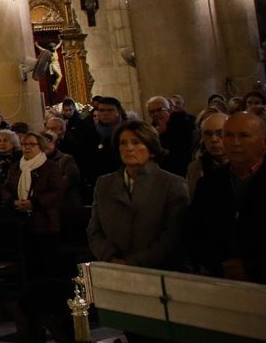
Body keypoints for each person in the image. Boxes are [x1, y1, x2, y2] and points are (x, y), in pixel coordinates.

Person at [86, 119, 188, 269]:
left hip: (157, 271)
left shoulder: (172, 184)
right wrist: (110, 257)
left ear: (151, 149)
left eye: (136, 142)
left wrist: (134, 262)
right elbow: (94, 230)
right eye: (123, 143)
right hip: (114, 269)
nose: (129, 148)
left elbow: (172, 235)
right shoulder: (104, 184)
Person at [187, 110, 266, 282]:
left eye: (244, 136)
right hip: (220, 279)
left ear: (265, 142)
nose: (235, 142)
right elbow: (194, 231)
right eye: (229, 135)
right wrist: (218, 264)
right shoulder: (208, 184)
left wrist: (250, 268)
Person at [4, 131, 67, 278]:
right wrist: (12, 201)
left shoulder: (49, 167)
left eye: (31, 144)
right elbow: (6, 187)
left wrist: (34, 203)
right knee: (28, 263)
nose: (27, 148)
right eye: (24, 144)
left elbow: (58, 191)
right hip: (22, 221)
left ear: (41, 146)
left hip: (45, 222)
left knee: (46, 264)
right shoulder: (16, 167)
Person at [145, 95, 196, 178]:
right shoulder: (150, 130)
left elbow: (182, 150)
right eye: (152, 112)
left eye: (159, 110)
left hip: (180, 170)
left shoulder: (183, 123)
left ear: (169, 109)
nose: (156, 114)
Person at [186, 108, 229, 196]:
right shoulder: (195, 168)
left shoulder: (244, 166)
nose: (213, 139)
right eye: (208, 134)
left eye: (220, 133)